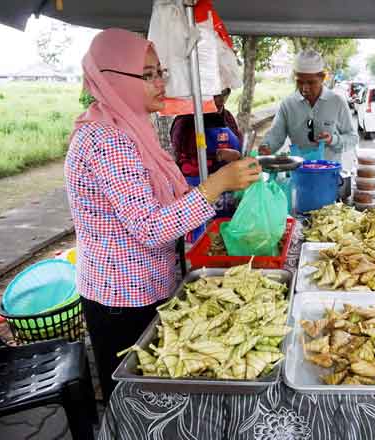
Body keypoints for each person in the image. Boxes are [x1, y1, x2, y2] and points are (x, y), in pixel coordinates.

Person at [64, 29, 261, 402]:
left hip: (148, 283)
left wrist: (221, 184)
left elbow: (163, 199)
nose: (160, 83)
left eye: (160, 72)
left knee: (156, 390)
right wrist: (215, 185)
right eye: (148, 75)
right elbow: (151, 226)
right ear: (113, 79)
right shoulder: (107, 140)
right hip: (122, 298)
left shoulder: (129, 126)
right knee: (136, 400)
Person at [258, 50, 357, 164]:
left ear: (323, 78)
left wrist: (332, 140)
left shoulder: (337, 102)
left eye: (311, 82)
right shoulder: (288, 105)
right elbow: (275, 136)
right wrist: (266, 147)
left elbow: (352, 138)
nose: (305, 88)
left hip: (329, 174)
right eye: (300, 82)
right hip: (298, 173)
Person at [170, 87, 243, 178]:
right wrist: (217, 156)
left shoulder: (228, 117)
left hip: (229, 179)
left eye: (225, 93)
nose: (221, 99)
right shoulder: (185, 121)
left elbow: (239, 144)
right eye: (215, 94)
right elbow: (182, 159)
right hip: (197, 182)